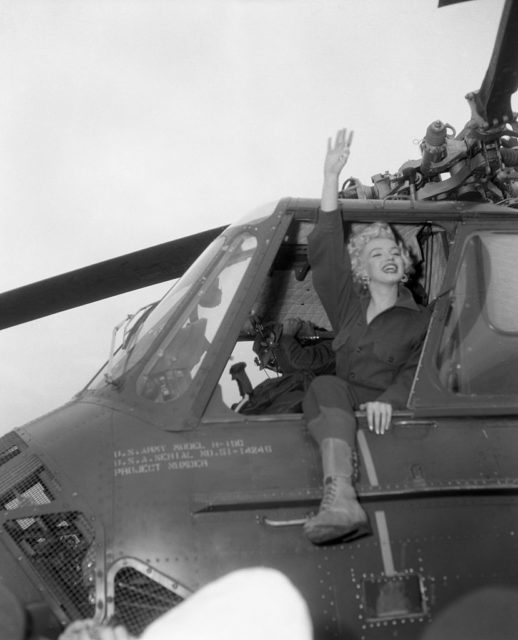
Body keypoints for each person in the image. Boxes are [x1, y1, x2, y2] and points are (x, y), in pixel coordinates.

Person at [302, 128, 431, 545]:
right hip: (347, 398)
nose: (390, 257)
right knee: (322, 385)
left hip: (384, 404)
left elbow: (417, 373)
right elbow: (324, 252)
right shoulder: (348, 305)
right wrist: (328, 178)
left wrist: (390, 402)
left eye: (394, 253)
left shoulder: (422, 320)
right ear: (362, 268)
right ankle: (340, 498)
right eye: (378, 254)